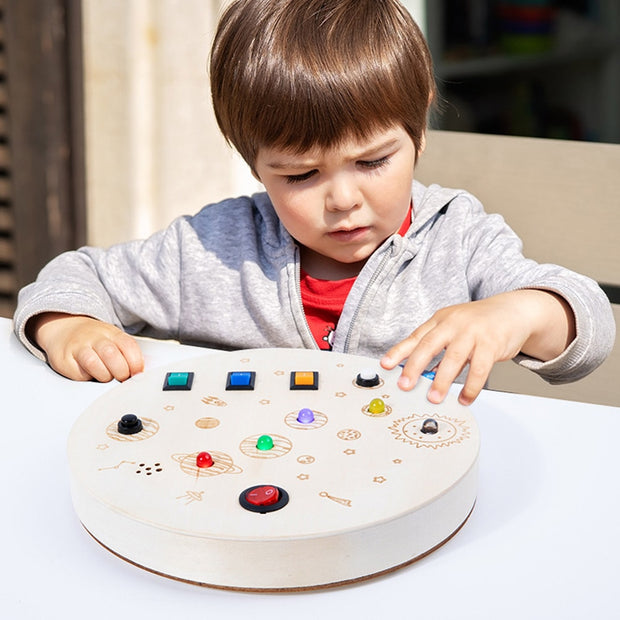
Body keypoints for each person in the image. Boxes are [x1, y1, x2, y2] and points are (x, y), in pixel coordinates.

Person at [13, 0, 615, 406]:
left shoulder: (457, 238)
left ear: (419, 136)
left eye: (373, 162)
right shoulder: (213, 250)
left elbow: (586, 325)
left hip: (416, 496)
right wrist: (66, 325)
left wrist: (519, 314)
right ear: (255, 167)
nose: (344, 200)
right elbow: (75, 275)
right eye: (301, 174)